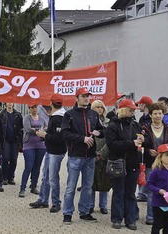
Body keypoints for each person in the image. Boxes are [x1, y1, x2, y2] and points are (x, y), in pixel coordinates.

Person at [61, 87, 104, 225]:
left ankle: (84, 212)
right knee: (70, 187)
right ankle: (67, 213)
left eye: (88, 96)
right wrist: (82, 139)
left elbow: (102, 130)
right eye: (83, 96)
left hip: (90, 156)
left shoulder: (94, 114)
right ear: (77, 98)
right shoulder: (69, 114)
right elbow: (64, 134)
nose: (86, 98)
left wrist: (99, 133)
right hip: (75, 156)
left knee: (87, 186)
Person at [105, 99, 142, 230]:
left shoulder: (136, 125)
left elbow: (143, 139)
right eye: (130, 110)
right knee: (118, 192)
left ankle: (131, 219)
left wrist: (143, 140)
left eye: (133, 110)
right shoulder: (113, 126)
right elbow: (112, 145)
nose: (132, 112)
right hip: (118, 163)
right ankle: (117, 218)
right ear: (122, 109)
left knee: (131, 193)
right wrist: (131, 143)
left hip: (133, 163)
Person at [141, 103, 168, 225]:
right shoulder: (144, 128)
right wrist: (148, 151)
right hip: (150, 164)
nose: (157, 116)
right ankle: (151, 216)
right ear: (151, 115)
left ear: (163, 114)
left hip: (167, 164)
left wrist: (167, 151)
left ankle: (164, 216)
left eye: (160, 113)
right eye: (155, 113)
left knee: (167, 189)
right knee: (152, 190)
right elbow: (140, 144)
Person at [31, 94, 67, 211]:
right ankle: (43, 200)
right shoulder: (57, 116)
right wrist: (45, 134)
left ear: (51, 104)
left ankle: (56, 202)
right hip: (51, 150)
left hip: (56, 152)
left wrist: (44, 135)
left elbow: (59, 137)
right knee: (46, 176)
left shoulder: (59, 118)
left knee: (52, 178)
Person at [19, 104, 48, 197]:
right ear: (29, 108)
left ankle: (34, 186)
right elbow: (27, 129)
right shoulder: (26, 117)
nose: (34, 109)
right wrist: (38, 131)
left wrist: (42, 131)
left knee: (37, 167)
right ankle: (22, 188)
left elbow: (47, 127)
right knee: (28, 166)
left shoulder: (42, 118)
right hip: (29, 146)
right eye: (32, 107)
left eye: (35, 107)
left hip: (41, 146)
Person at [0, 102, 23, 185]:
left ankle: (11, 177)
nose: (10, 104)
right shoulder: (1, 115)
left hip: (15, 140)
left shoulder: (18, 115)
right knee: (5, 158)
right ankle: (4, 177)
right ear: (5, 103)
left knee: (14, 159)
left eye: (11, 102)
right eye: (8, 102)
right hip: (6, 140)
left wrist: (21, 140)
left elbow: (21, 128)